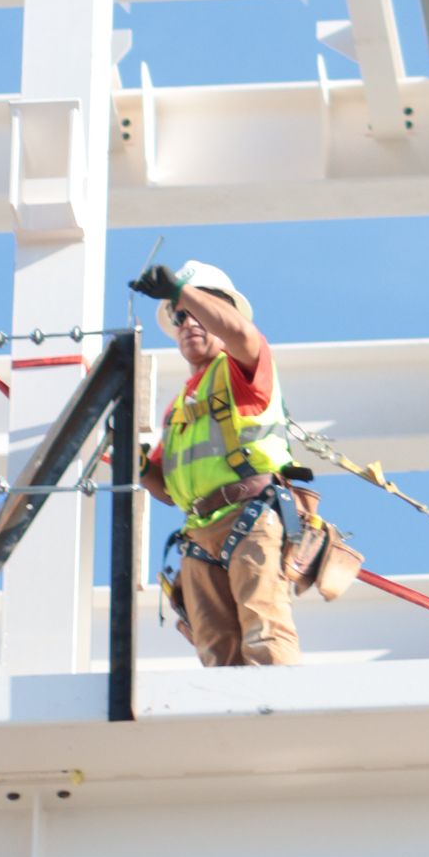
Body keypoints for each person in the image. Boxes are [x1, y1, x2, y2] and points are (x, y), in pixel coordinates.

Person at [132, 257, 310, 668]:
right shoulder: (178, 409)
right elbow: (166, 489)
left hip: (251, 517)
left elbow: (240, 332)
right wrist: (136, 462)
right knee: (216, 653)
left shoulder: (244, 368)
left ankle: (280, 717)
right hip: (198, 534)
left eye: (199, 313)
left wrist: (180, 293)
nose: (189, 322)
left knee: (265, 634)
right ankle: (234, 726)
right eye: (180, 317)